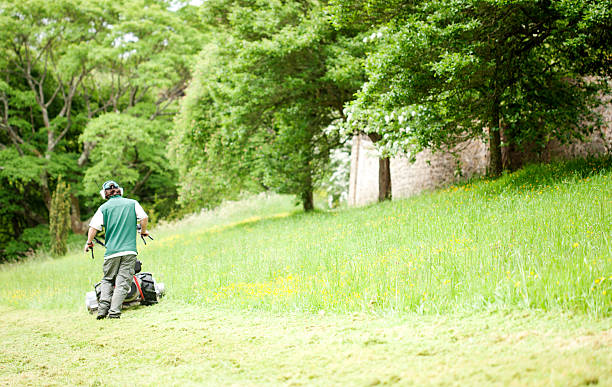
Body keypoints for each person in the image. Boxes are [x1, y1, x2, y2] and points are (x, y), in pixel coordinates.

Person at [84, 180, 149, 319]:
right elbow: (144, 218)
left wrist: (89, 243)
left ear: (105, 194)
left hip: (111, 252)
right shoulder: (132, 203)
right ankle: (114, 313)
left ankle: (102, 311)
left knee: (107, 280)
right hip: (129, 251)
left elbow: (93, 228)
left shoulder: (103, 208)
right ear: (120, 191)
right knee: (122, 282)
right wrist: (143, 231)